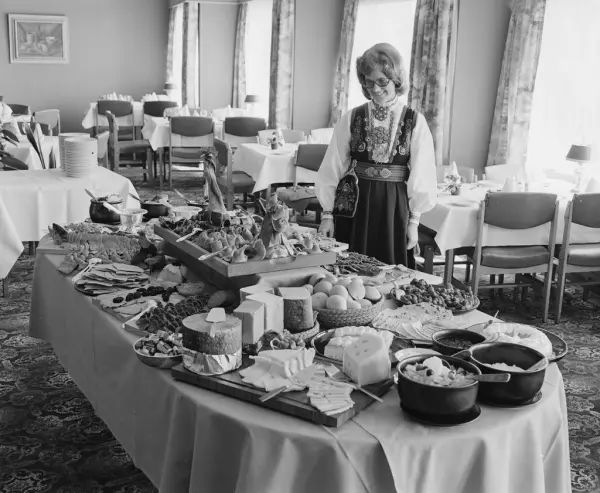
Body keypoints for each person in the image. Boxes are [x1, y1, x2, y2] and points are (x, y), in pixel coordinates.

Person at [316, 43, 437, 268]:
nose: (375, 88)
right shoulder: (352, 117)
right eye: (369, 82)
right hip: (354, 202)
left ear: (396, 79)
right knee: (350, 269)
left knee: (390, 269)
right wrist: (327, 215)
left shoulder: (415, 121)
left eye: (382, 81)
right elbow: (333, 165)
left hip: (394, 205)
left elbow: (422, 173)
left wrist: (414, 222)